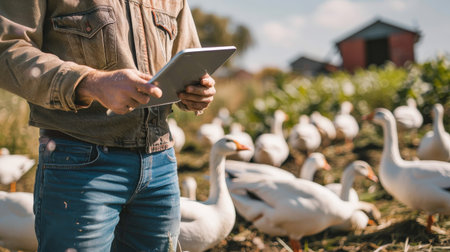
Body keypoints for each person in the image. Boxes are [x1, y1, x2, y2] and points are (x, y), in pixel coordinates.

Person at [0, 1, 215, 251]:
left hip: (161, 165)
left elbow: (188, 61)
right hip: (80, 163)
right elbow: (7, 50)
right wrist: (91, 83)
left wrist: (197, 91)